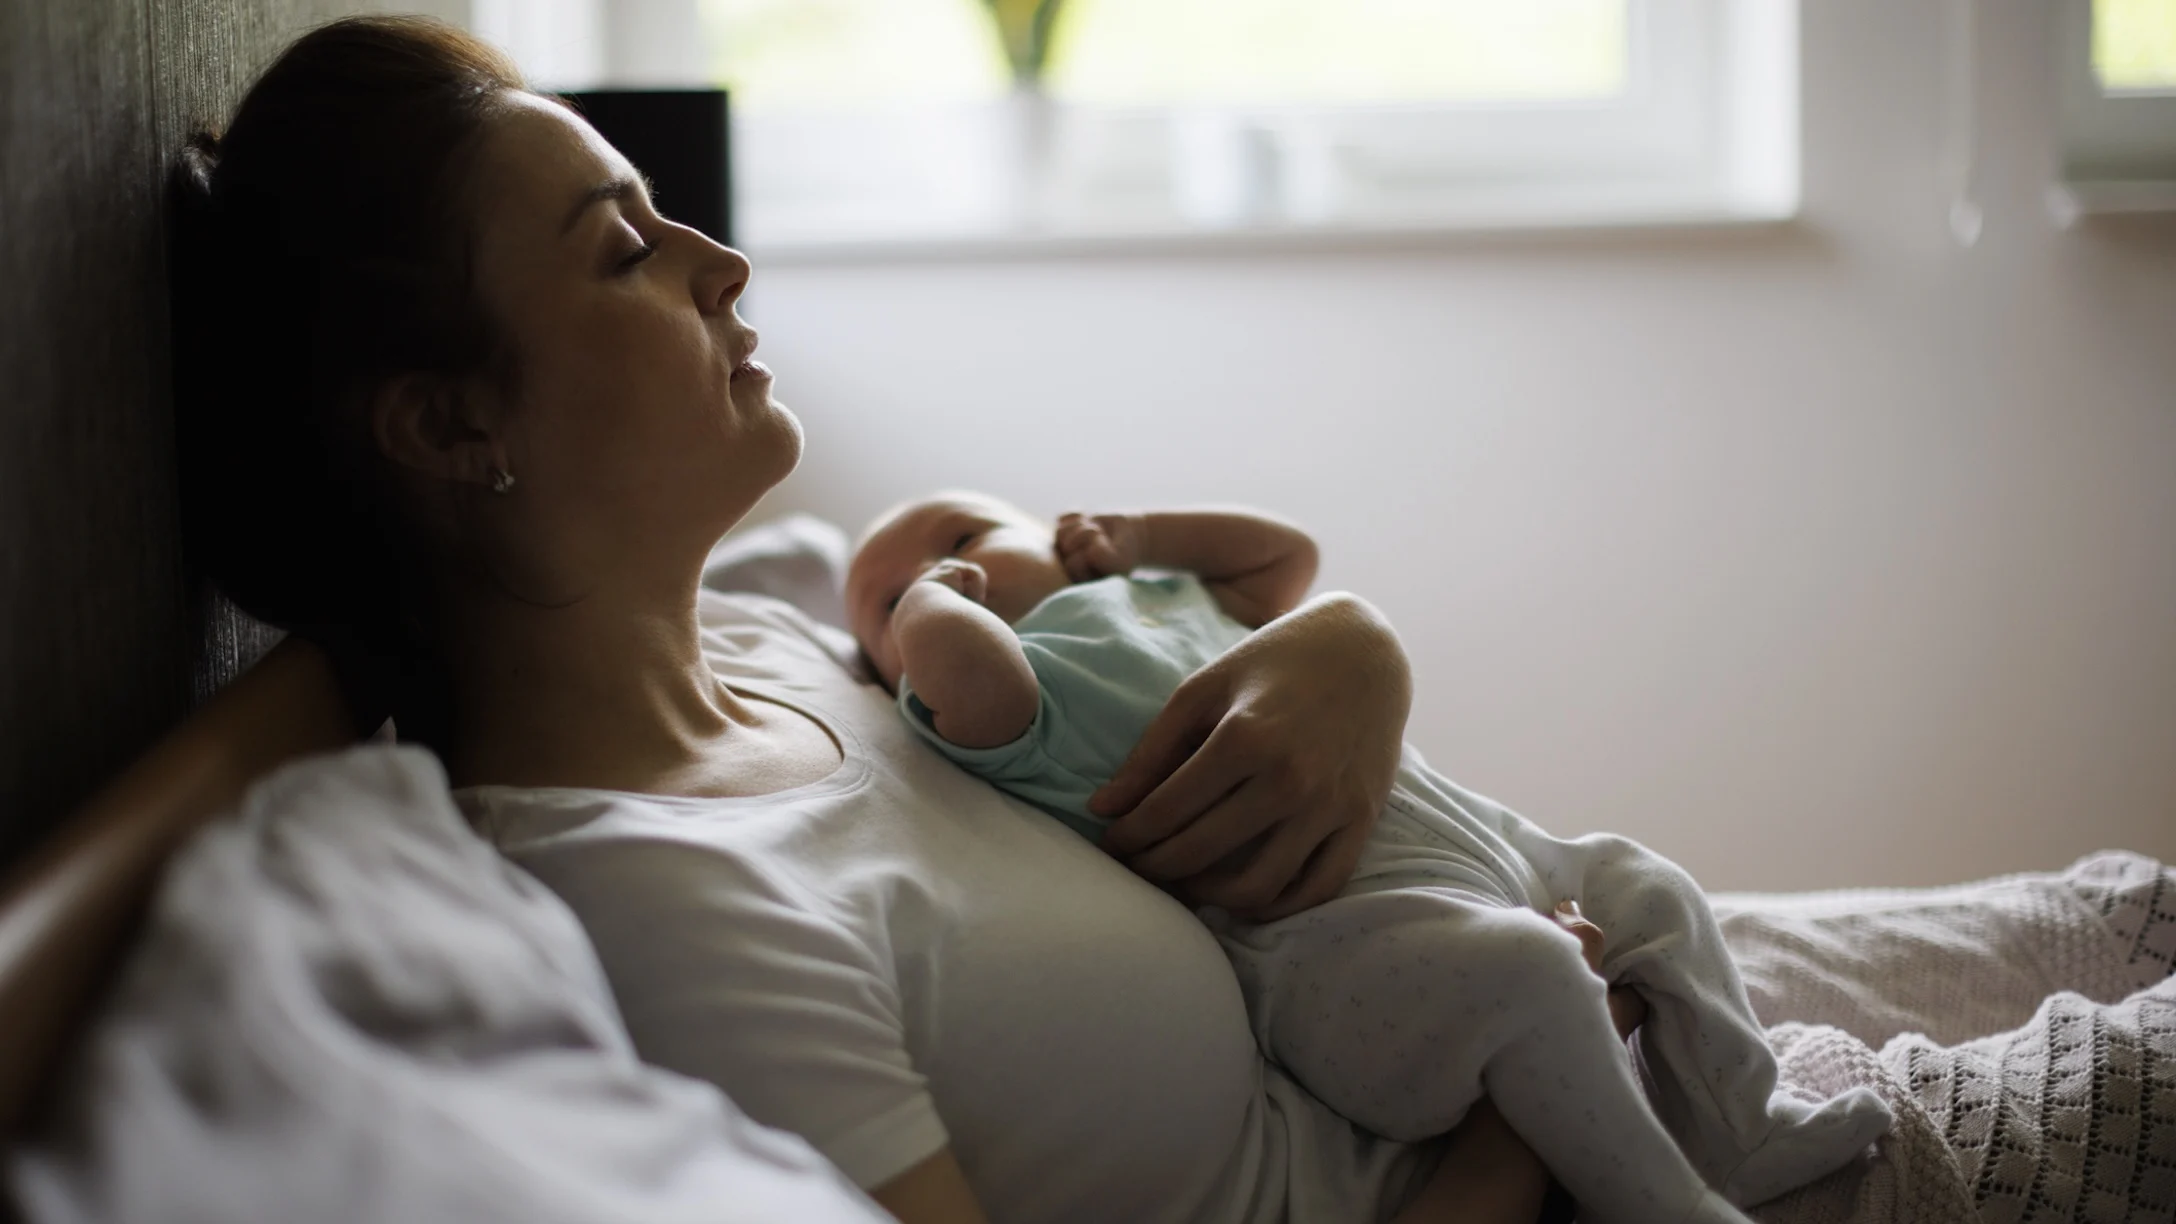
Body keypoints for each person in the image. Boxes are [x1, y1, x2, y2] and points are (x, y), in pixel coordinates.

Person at [167, 15, 1645, 1224]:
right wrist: (1532, 1133)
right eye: (625, 250)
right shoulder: (668, 906)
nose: (722, 263)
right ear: (446, 424)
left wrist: (1352, 648)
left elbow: (1117, 624)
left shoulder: (780, 634)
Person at [844, 495, 1895, 1224]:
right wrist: (939, 601)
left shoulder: (1157, 593)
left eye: (964, 534)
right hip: (1337, 952)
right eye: (883, 608)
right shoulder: (1003, 700)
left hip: (1485, 848)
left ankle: (1741, 1121)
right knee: (1530, 970)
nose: (935, 580)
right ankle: (1658, 1201)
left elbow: (1283, 559)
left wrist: (1144, 535)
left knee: (1647, 881)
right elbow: (966, 680)